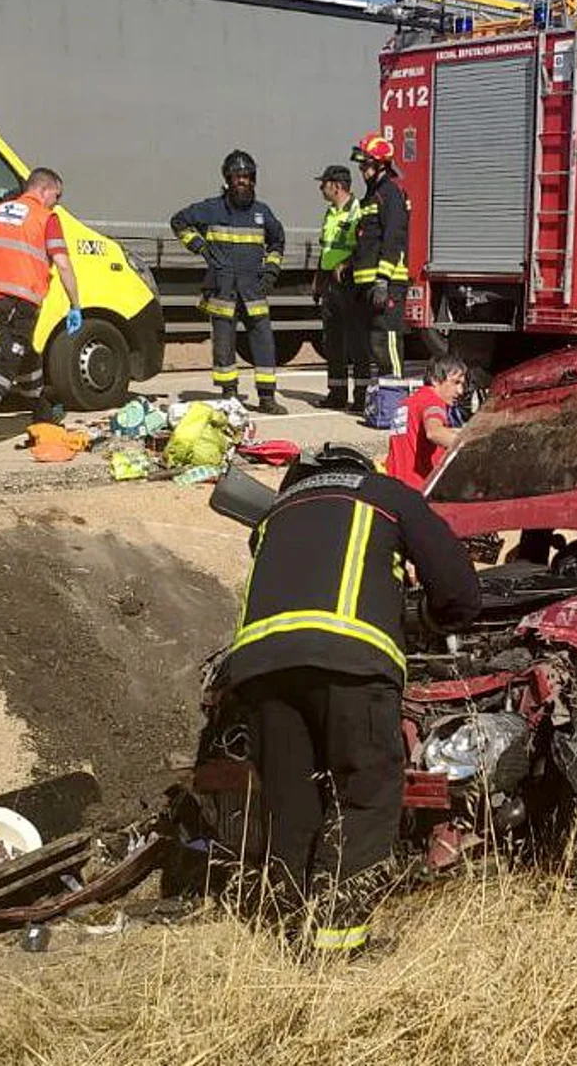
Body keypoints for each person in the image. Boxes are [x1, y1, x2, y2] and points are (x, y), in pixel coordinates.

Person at [224, 442, 480, 958]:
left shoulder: (275, 514)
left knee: (291, 804)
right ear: (364, 470)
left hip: (257, 670)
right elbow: (458, 590)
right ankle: (338, 943)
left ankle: (294, 935)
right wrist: (434, 620)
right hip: (351, 667)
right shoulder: (388, 496)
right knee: (367, 794)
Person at [0, 167, 82, 449]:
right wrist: (75, 304)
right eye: (56, 196)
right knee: (5, 364)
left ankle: (42, 412)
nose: (56, 202)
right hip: (22, 302)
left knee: (27, 355)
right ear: (43, 190)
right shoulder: (47, 218)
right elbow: (63, 263)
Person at [172, 150, 287, 415]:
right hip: (223, 289)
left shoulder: (262, 212)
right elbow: (178, 221)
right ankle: (229, 396)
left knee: (264, 342)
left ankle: (267, 398)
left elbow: (277, 241)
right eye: (237, 176)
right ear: (228, 179)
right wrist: (200, 247)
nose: (242, 181)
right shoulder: (211, 208)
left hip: (254, 289)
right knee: (224, 346)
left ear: (253, 179)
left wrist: (270, 272)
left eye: (247, 176)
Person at [348, 134, 410, 378]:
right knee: (374, 343)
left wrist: (383, 279)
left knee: (387, 341)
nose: (362, 169)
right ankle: (384, 400)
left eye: (366, 164)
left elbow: (394, 238)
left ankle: (396, 399)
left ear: (380, 165)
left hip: (387, 282)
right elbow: (365, 241)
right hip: (367, 284)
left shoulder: (390, 194)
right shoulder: (370, 196)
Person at [313, 164, 369, 412]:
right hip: (330, 283)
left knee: (357, 342)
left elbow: (366, 246)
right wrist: (318, 280)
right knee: (332, 340)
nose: (320, 188)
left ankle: (361, 396)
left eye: (323, 183)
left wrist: (347, 264)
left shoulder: (359, 210)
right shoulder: (330, 213)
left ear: (336, 186)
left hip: (350, 283)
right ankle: (336, 393)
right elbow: (326, 247)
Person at [385, 354, 467, 490]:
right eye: (456, 383)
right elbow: (434, 432)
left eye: (462, 384)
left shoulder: (407, 403)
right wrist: (474, 448)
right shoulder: (433, 402)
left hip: (395, 489)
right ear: (435, 380)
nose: (460, 391)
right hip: (419, 492)